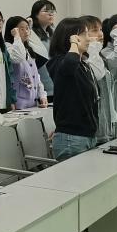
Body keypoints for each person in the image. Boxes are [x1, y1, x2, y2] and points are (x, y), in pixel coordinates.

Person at [45, 17, 98, 162]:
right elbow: (69, 65)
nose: (89, 38)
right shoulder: (59, 62)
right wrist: (74, 44)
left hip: (86, 136)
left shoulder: (82, 65)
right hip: (72, 139)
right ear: (70, 37)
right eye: (84, 34)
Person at [82, 14, 117, 144]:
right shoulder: (85, 59)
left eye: (101, 29)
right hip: (96, 124)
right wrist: (92, 46)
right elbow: (97, 74)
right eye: (94, 30)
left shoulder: (100, 56)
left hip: (107, 120)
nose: (101, 34)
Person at [4, 16, 48, 110]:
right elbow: (18, 58)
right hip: (18, 104)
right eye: (21, 29)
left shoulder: (28, 49)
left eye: (27, 28)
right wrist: (16, 37)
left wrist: (42, 95)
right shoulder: (8, 47)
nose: (26, 32)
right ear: (13, 31)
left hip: (33, 103)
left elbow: (36, 76)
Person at [28, 0, 57, 100]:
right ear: (35, 14)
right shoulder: (31, 34)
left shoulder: (53, 34)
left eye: (52, 11)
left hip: (55, 84)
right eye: (46, 11)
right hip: (42, 86)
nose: (50, 14)